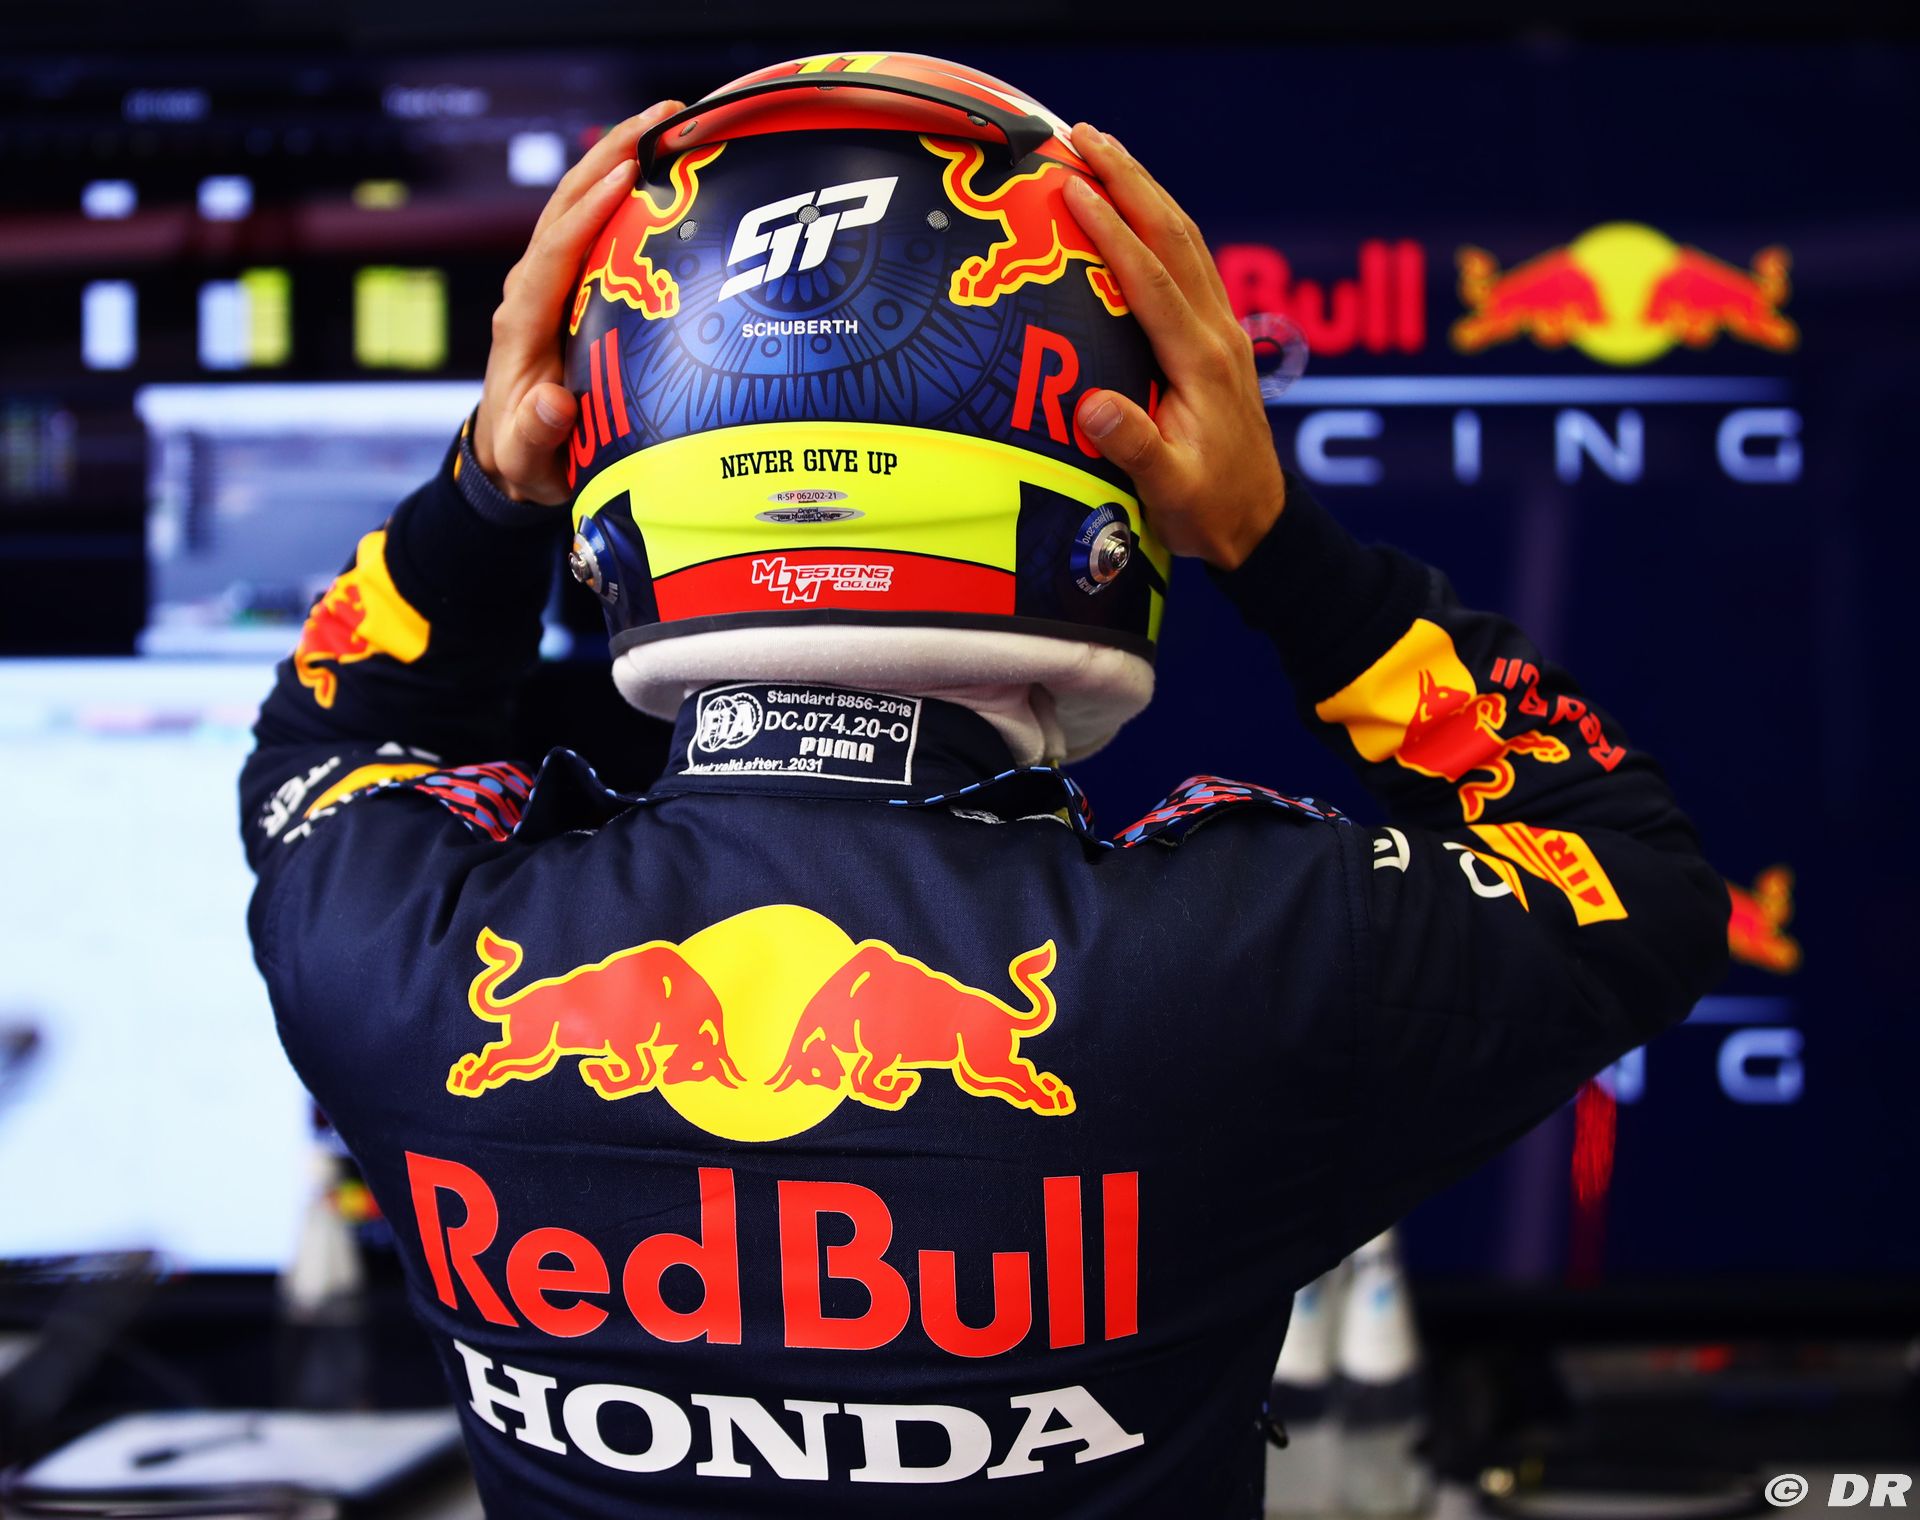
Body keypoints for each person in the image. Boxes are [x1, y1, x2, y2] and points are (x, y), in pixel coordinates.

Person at [240, 59, 1729, 1519]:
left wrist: (484, 494)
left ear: (607, 453)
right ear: (1117, 478)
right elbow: (1630, 870)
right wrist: (1276, 544)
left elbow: (329, 742)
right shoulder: (1244, 958)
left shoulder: (395, 953)